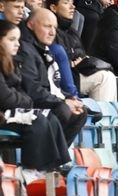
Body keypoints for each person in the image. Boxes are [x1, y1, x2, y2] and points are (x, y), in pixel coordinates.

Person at [0, 21, 72, 178]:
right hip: (3, 115)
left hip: (12, 111)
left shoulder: (10, 63)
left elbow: (20, 93)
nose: (17, 44)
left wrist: (23, 99)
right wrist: (25, 100)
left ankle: (54, 167)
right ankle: (32, 171)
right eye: (11, 40)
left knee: (50, 117)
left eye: (18, 40)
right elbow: (5, 97)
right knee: (37, 119)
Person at [19, 9, 88, 145]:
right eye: (47, 26)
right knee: (63, 110)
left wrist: (67, 97)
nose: (52, 32)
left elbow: (50, 85)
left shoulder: (43, 49)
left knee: (81, 111)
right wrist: (61, 102)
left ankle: (58, 159)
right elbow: (32, 89)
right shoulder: (26, 50)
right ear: (31, 25)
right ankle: (47, 160)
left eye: (55, 28)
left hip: (44, 100)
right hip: (28, 105)